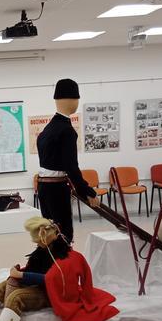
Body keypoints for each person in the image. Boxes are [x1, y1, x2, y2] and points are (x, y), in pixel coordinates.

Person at [36, 78, 99, 241]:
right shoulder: (66, 130)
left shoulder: (48, 129)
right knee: (63, 234)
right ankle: (63, 257)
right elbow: (71, 166)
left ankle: (50, 257)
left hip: (43, 187)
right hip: (56, 189)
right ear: (73, 100)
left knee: (49, 233)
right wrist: (87, 191)